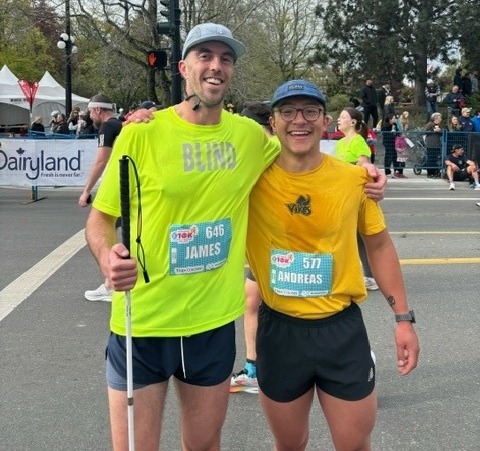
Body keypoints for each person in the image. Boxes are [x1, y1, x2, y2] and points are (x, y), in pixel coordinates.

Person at [86, 24, 388, 450]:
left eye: (225, 59)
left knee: (205, 446)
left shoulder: (248, 136)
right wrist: (105, 257)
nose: (216, 66)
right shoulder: (141, 133)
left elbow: (300, 151)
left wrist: (365, 172)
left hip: (210, 325)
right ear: (183, 67)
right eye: (205, 56)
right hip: (143, 324)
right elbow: (99, 221)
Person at [246, 79, 419, 451]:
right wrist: (148, 121)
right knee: (289, 445)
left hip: (340, 331)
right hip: (279, 332)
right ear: (273, 122)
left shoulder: (354, 179)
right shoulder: (248, 178)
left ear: (324, 121)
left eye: (310, 112)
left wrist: (403, 319)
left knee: (354, 445)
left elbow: (380, 245)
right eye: (288, 112)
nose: (299, 121)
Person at [230, 101, 273, 394]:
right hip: (259, 243)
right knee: (254, 302)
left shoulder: (268, 151)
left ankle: (256, 369)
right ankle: (256, 368)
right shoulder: (252, 151)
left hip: (273, 243)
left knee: (257, 304)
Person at [81, 94, 123, 303]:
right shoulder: (121, 124)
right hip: (130, 186)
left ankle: (111, 283)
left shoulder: (107, 127)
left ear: (98, 110)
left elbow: (101, 160)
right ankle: (110, 284)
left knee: (99, 233)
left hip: (119, 189)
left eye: (90, 111)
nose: (89, 115)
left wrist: (86, 190)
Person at [336, 107, 379, 291]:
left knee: (362, 237)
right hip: (341, 194)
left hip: (358, 195)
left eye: (343, 117)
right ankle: (366, 275)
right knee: (352, 237)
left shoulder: (358, 141)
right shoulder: (340, 143)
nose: (339, 120)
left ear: (353, 122)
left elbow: (364, 165)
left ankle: (371, 276)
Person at [382, 112, 401, 177]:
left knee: (395, 156)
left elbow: (398, 132)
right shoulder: (385, 126)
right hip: (388, 143)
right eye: (393, 118)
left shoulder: (395, 124)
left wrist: (396, 133)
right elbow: (385, 134)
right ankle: (387, 171)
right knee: (388, 157)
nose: (395, 119)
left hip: (394, 142)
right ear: (390, 119)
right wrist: (391, 132)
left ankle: (396, 170)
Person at [424, 112, 443, 178]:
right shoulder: (430, 124)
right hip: (430, 145)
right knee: (430, 159)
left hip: (437, 144)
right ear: (436, 118)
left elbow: (442, 133)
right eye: (440, 118)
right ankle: (429, 173)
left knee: (435, 159)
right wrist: (433, 130)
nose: (441, 119)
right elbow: (425, 131)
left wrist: (440, 130)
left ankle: (435, 172)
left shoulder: (439, 125)